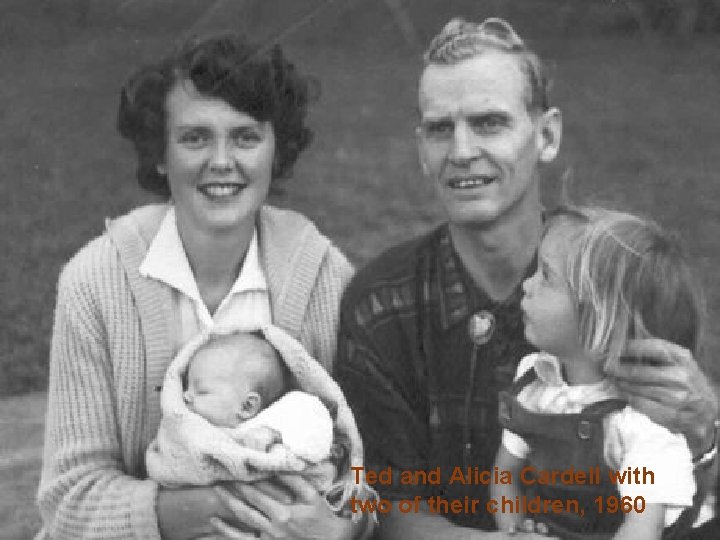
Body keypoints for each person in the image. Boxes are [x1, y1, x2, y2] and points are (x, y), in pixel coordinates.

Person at [335, 16, 718, 539]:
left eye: (489, 122)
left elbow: (676, 479)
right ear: (421, 147)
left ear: (547, 135)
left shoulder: (616, 283)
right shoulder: (381, 302)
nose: (462, 150)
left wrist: (703, 433)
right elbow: (382, 501)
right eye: (440, 128)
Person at [37, 34, 366, 540]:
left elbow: (366, 475)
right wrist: (211, 507)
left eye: (245, 137)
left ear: (276, 152)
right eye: (194, 138)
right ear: (161, 156)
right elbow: (71, 500)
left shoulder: (325, 278)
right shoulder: (95, 282)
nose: (221, 160)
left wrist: (346, 528)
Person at [493, 206, 701, 539]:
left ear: (600, 318)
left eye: (546, 276)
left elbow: (642, 526)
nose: (527, 285)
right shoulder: (534, 380)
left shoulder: (637, 424)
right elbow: (505, 475)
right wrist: (515, 531)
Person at [146, 327, 353, 495]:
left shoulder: (283, 416)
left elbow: (315, 438)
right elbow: (169, 463)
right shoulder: (192, 427)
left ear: (247, 406)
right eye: (186, 387)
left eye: (201, 391)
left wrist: (273, 437)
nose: (185, 396)